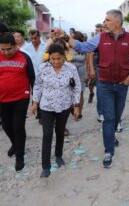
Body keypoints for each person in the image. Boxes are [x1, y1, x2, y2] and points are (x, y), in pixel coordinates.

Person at [68, 9, 129, 168]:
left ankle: (111, 135)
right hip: (105, 84)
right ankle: (109, 150)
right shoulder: (100, 37)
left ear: (117, 22)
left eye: (107, 20)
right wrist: (65, 37)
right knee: (108, 117)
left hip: (122, 84)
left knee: (116, 115)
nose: (104, 22)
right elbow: (82, 47)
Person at [0, 32, 35, 171]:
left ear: (15, 45)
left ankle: (20, 156)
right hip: (4, 98)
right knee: (6, 126)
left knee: (18, 126)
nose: (6, 52)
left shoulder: (24, 57)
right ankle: (16, 144)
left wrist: (35, 99)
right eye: (3, 49)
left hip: (21, 97)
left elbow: (32, 78)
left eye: (9, 49)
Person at [32, 43, 81, 178]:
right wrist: (35, 102)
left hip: (64, 105)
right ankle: (46, 166)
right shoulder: (43, 68)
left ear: (64, 57)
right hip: (46, 106)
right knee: (47, 135)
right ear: (49, 58)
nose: (56, 62)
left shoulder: (71, 68)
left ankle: (58, 155)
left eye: (58, 58)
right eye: (53, 59)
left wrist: (76, 106)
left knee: (60, 132)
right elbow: (37, 86)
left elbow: (76, 87)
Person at [87, 23, 103, 122]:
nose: (98, 32)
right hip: (97, 67)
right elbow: (90, 54)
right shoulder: (93, 41)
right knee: (99, 91)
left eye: (99, 30)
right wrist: (90, 69)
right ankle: (100, 113)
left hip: (106, 69)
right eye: (96, 30)